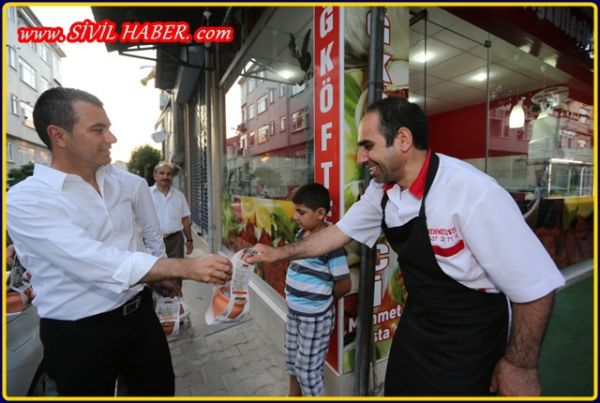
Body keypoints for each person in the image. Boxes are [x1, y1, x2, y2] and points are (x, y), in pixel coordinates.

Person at [246, 97, 565, 396]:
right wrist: (278, 253)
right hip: (418, 323)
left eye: (368, 146)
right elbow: (336, 234)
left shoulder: (472, 192)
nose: (361, 158)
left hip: (471, 336)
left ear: (402, 139)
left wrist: (520, 365)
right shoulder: (380, 192)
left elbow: (536, 287)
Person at [6, 87, 232, 396]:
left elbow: (135, 241)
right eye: (98, 129)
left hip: (139, 315)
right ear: (59, 136)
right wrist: (187, 268)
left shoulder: (123, 183)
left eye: (108, 128)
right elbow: (92, 260)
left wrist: (156, 277)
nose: (111, 138)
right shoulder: (26, 199)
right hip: (79, 334)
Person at [284, 183, 351, 396]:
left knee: (307, 372)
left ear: (320, 213)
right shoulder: (301, 234)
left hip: (315, 318)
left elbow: (344, 284)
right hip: (294, 312)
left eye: (301, 212)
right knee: (292, 360)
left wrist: (320, 300)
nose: (295, 216)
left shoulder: (332, 246)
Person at [150, 161, 193, 288]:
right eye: (162, 173)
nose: (165, 176)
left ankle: (176, 298)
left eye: (169, 174)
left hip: (176, 241)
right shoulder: (146, 194)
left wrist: (189, 240)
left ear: (172, 177)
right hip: (153, 241)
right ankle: (155, 300)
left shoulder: (179, 196)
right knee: (155, 274)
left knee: (177, 273)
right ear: (155, 175)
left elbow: (185, 219)